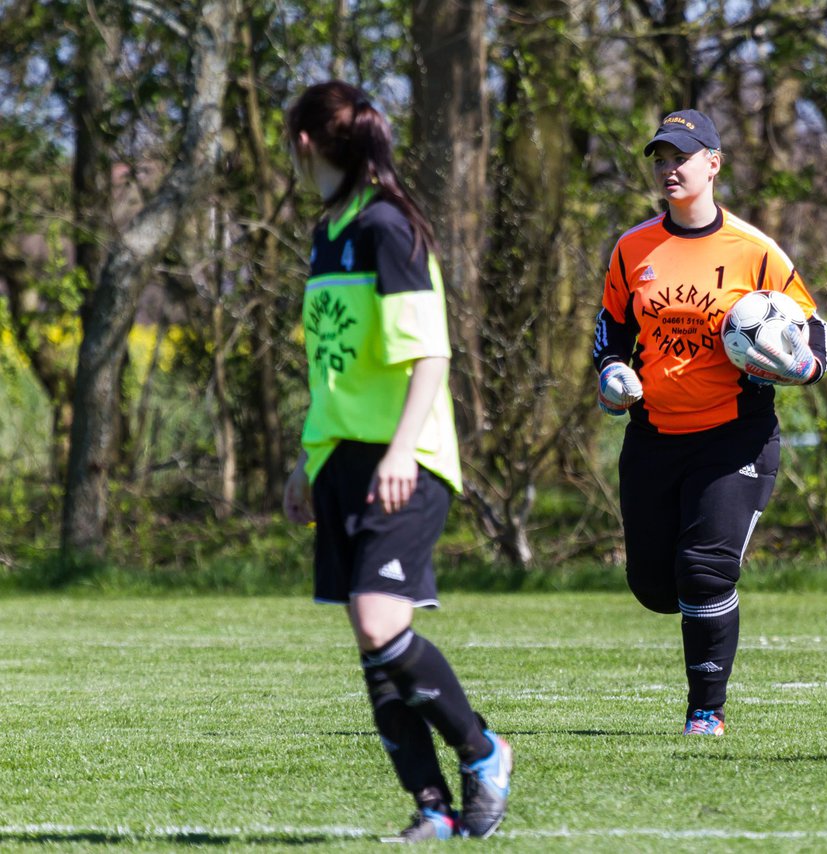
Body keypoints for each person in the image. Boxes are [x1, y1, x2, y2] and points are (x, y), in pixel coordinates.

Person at [281, 80, 513, 838]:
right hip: (342, 459)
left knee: (381, 624)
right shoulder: (328, 234)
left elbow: (431, 356)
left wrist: (402, 449)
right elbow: (334, 368)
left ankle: (482, 754)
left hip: (403, 463)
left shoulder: (387, 228)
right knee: (370, 641)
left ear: (307, 143)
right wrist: (307, 459)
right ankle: (433, 811)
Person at [592, 109, 827, 736]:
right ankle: (698, 616)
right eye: (661, 159)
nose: (670, 169)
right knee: (654, 585)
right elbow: (610, 334)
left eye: (682, 157)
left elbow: (814, 336)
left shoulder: (755, 252)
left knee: (704, 568)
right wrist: (612, 375)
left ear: (713, 163)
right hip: (653, 437)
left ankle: (706, 711)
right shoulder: (631, 248)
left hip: (734, 438)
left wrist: (798, 366)